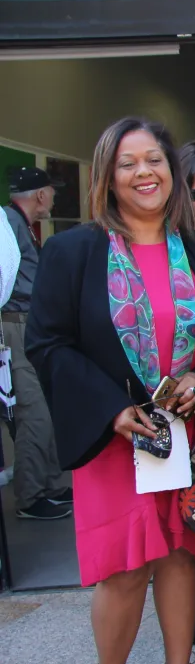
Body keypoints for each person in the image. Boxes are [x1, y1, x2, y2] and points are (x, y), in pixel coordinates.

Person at [25, 117, 195, 664]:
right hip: (116, 435)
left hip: (183, 431)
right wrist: (111, 410)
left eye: (154, 160)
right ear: (107, 177)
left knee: (183, 556)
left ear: (173, 172)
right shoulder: (72, 251)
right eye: (128, 163)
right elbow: (48, 343)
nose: (144, 173)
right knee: (127, 566)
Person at [2, 166, 71, 520]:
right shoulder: (8, 225)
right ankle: (30, 497)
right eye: (52, 191)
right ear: (41, 194)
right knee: (34, 413)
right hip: (16, 326)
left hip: (33, 325)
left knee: (48, 405)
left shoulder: (19, 225)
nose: (54, 197)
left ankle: (50, 485)